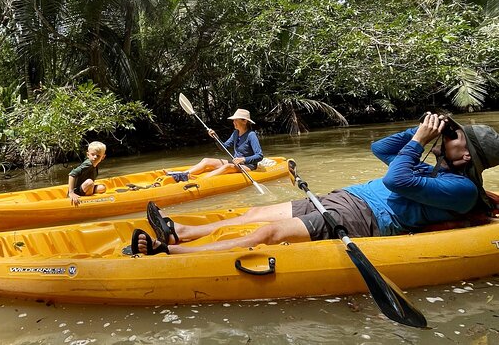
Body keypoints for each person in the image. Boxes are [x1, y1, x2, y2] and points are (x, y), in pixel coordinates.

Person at [131, 113, 499, 255]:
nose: (448, 135)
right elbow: (380, 148)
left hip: (365, 217)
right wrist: (417, 129)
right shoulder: (434, 167)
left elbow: (395, 177)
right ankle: (180, 230)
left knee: (269, 233)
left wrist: (419, 141)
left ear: (467, 157)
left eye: (456, 137)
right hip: (348, 197)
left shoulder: (462, 190)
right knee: (257, 210)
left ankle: (169, 254)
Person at [168, 109, 264, 182]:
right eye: (233, 120)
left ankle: (200, 181)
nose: (233, 122)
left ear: (244, 121)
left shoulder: (251, 135)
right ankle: (183, 175)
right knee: (206, 160)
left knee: (227, 167)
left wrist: (243, 159)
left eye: (236, 120)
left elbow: (259, 156)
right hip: (236, 162)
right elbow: (224, 147)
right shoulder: (235, 133)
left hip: (249, 166)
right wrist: (216, 137)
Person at [68, 141, 107, 206]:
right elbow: (72, 174)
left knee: (102, 188)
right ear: (88, 155)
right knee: (90, 182)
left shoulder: (95, 164)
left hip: (84, 189)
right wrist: (71, 192)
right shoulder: (88, 164)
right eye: (92, 154)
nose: (95, 157)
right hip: (77, 191)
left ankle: (90, 195)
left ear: (103, 157)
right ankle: (89, 202)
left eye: (98, 156)